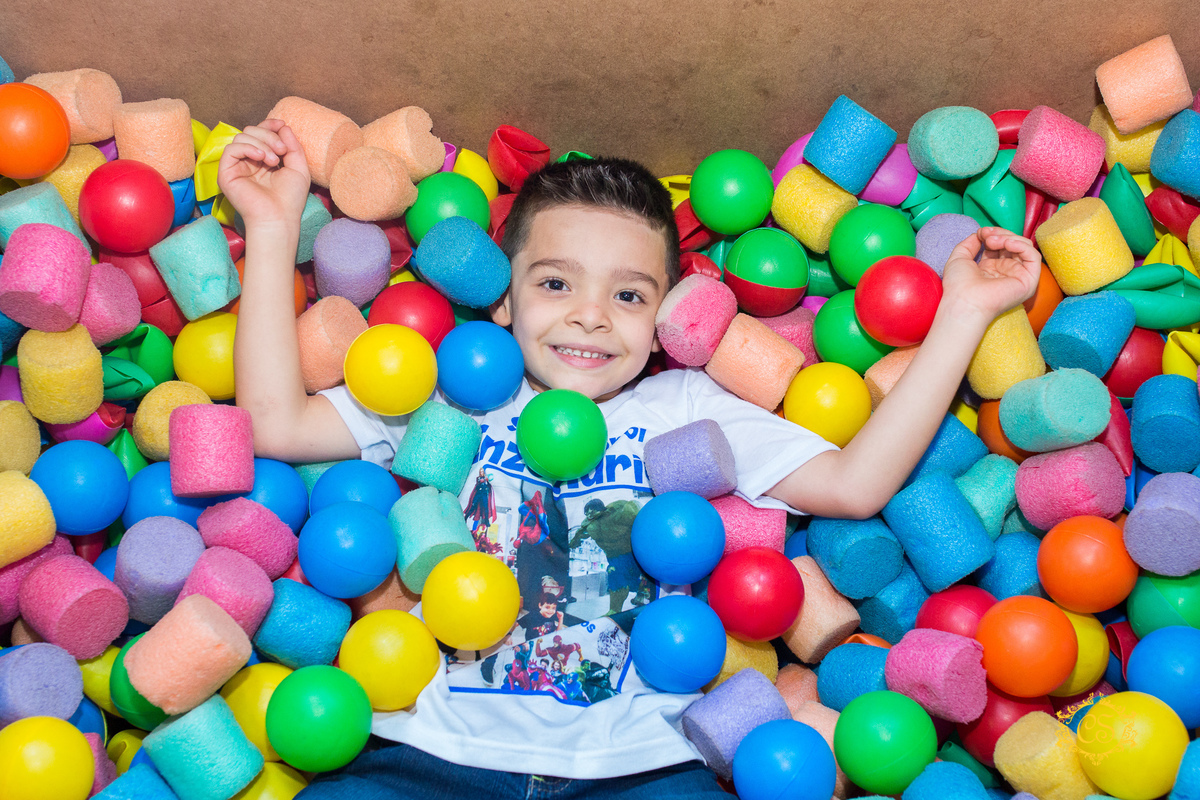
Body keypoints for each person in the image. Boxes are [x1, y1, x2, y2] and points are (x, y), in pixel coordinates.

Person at [218, 118, 1042, 798]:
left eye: (627, 295)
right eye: (555, 284)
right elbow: (274, 426)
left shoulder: (684, 410)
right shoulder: (454, 392)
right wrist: (273, 225)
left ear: (662, 325)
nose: (590, 316)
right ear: (502, 298)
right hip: (429, 753)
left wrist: (964, 314)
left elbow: (855, 485)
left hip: (642, 767)